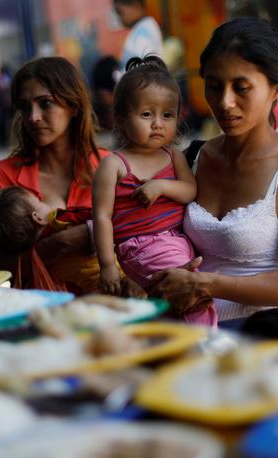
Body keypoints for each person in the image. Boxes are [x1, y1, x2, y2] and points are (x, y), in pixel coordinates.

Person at [150, 18, 278, 329]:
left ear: (277, 89)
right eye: (214, 87)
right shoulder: (192, 159)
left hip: (262, 336)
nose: (225, 102)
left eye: (241, 88)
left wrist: (205, 284)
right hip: (192, 333)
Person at [0, 57, 141, 297]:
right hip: (41, 313)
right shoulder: (3, 176)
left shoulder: (111, 165)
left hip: (115, 309)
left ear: (74, 106)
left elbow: (143, 238)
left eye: (45, 103)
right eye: (24, 107)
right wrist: (59, 244)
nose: (33, 116)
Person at [93, 56, 215, 325]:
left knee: (175, 300)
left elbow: (189, 191)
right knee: (189, 295)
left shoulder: (173, 157)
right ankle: (204, 342)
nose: (158, 123)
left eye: (167, 115)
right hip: (140, 246)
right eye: (147, 114)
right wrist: (108, 266)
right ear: (122, 119)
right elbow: (101, 217)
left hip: (177, 241)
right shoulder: (113, 164)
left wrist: (160, 186)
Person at [0, 185, 114, 294]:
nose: (45, 203)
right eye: (40, 202)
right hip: (110, 275)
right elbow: (100, 221)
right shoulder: (60, 220)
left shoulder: (34, 264)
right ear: (37, 218)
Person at [114, 0, 163, 71]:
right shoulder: (141, 28)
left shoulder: (143, 31)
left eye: (120, 12)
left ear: (136, 6)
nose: (119, 18)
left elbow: (143, 67)